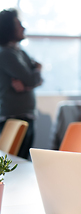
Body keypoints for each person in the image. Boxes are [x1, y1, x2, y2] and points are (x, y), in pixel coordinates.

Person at [0, 9, 43, 159]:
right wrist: (37, 70)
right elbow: (33, 78)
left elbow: (37, 80)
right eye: (18, 24)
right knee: (13, 164)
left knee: (23, 162)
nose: (23, 28)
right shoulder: (6, 53)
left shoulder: (20, 52)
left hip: (26, 115)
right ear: (7, 28)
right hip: (12, 117)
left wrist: (26, 86)